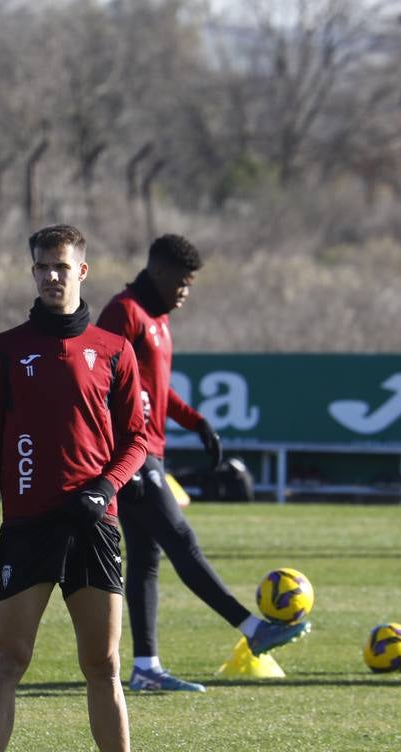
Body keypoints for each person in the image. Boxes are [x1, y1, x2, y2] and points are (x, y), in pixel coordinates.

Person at [0, 224, 174, 752]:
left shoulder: (114, 349)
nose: (51, 276)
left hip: (94, 525)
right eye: (42, 266)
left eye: (61, 266)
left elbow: (137, 439)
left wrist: (106, 488)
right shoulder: (3, 351)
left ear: (82, 271)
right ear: (32, 272)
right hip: (27, 527)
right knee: (8, 660)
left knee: (103, 663)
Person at [96, 235, 310, 692]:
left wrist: (197, 422)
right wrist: (120, 452)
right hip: (131, 452)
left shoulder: (157, 318)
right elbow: (100, 380)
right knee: (181, 539)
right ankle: (253, 629)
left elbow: (155, 387)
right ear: (158, 271)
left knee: (147, 560)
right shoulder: (123, 312)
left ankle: (146, 668)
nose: (185, 292)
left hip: (148, 450)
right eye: (182, 282)